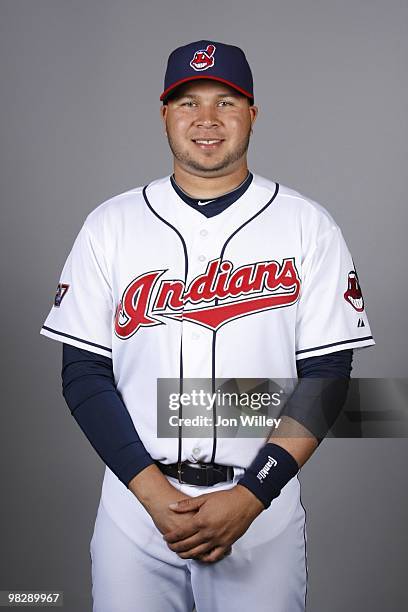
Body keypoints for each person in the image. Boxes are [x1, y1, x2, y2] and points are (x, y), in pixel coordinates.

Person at [40, 40, 375, 612]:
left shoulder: (306, 225)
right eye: (188, 102)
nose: (207, 120)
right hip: (135, 510)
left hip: (259, 510)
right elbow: (84, 374)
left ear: (252, 113)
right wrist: (151, 493)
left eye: (226, 101)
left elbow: (327, 377)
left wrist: (251, 496)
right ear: (165, 113)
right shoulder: (110, 226)